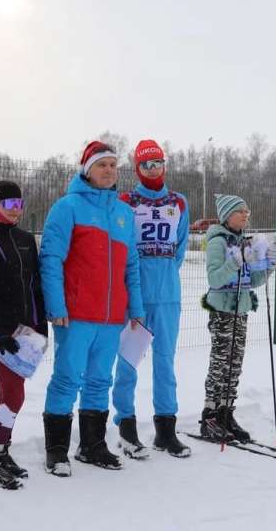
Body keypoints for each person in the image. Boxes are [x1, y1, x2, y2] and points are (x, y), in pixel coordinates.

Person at [40, 141, 145, 476]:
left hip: (112, 316)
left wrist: (136, 308)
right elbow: (51, 259)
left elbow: (132, 267)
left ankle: (92, 445)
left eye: (114, 165)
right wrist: (56, 305)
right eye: (103, 165)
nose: (110, 171)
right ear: (87, 169)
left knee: (101, 380)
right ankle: (57, 450)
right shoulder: (67, 207)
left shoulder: (124, 213)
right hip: (76, 313)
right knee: (67, 379)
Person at [111, 139, 191, 459]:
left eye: (158, 163)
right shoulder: (125, 201)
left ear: (165, 165)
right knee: (129, 362)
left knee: (165, 363)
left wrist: (165, 273)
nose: (153, 169)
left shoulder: (179, 202)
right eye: (146, 164)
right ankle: (126, 427)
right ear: (137, 169)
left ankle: (165, 430)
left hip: (168, 295)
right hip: (136, 297)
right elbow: (121, 246)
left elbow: (180, 248)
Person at [0, 180, 48, 490]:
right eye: (8, 205)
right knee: (14, 392)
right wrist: (0, 331)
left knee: (11, 393)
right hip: (1, 332)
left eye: (19, 205)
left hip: (27, 331)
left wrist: (41, 327)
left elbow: (35, 286)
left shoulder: (26, 238)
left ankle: (2, 452)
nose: (15, 211)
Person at [198, 194, 276, 443]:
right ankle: (210, 415)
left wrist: (268, 267)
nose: (245, 215)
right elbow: (215, 279)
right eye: (240, 211)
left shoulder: (244, 241)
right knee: (220, 363)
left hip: (241, 309)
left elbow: (251, 281)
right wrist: (236, 260)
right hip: (222, 310)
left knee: (234, 364)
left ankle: (226, 412)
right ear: (227, 215)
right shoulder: (217, 242)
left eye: (247, 211)